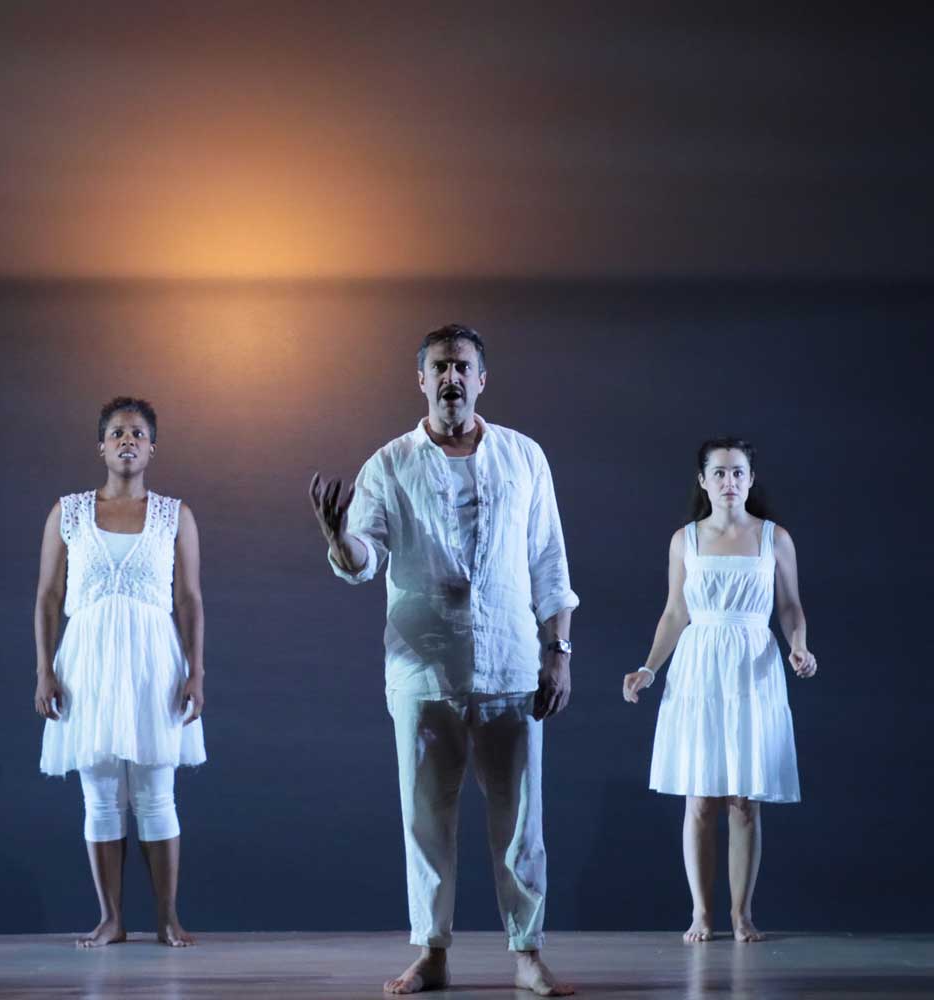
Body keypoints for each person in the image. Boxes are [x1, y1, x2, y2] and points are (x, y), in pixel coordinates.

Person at [310, 326, 578, 996]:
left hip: (512, 661)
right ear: (421, 380)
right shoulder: (390, 464)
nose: (451, 378)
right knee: (426, 817)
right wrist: (340, 540)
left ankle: (527, 953)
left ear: (482, 379)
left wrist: (559, 652)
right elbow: (362, 560)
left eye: (463, 366)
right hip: (424, 667)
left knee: (521, 819)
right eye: (439, 367)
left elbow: (549, 562)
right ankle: (431, 951)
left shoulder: (523, 457)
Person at [623, 438, 817, 943]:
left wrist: (798, 644)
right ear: (703, 481)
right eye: (720, 473)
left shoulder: (775, 538)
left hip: (753, 661)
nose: (729, 482)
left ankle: (741, 915)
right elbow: (674, 612)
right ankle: (701, 914)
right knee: (700, 798)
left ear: (751, 480)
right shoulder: (683, 539)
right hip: (699, 664)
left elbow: (791, 606)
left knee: (743, 799)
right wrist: (648, 668)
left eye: (738, 473)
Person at [34, 396, 206, 948]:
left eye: (137, 433)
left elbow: (190, 600)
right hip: (86, 664)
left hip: (155, 663)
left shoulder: (174, 514)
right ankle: (111, 918)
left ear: (152, 447)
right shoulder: (68, 512)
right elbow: (47, 596)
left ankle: (167, 917)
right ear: (101, 446)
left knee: (157, 792)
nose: (127, 440)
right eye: (116, 432)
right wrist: (44, 669)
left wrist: (195, 672)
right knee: (100, 794)